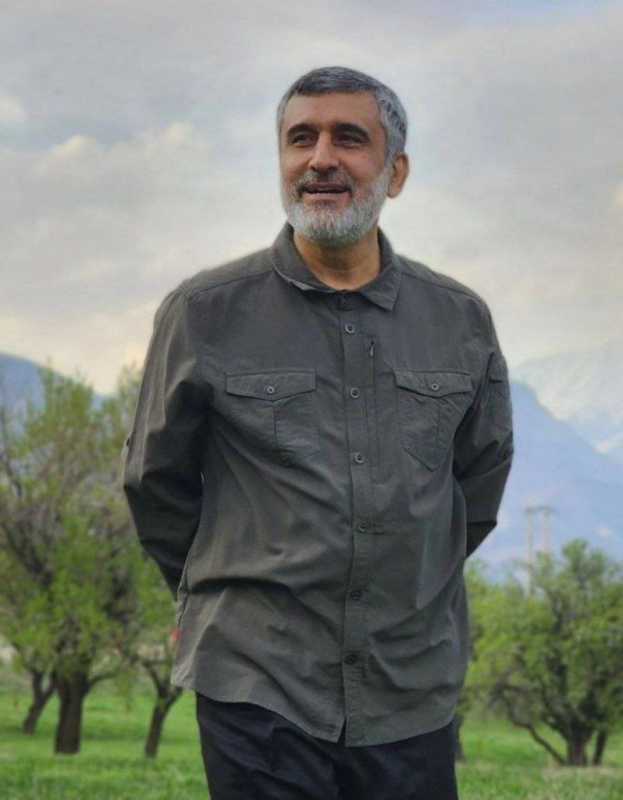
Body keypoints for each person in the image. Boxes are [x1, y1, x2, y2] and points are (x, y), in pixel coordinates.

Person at [122, 65, 514, 800]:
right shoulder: (203, 313)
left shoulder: (459, 320)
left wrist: (402, 579)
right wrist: (229, 590)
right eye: (300, 138)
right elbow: (155, 482)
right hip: (257, 681)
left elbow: (476, 483)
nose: (321, 159)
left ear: (396, 172)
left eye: (348, 139)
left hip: (409, 686)